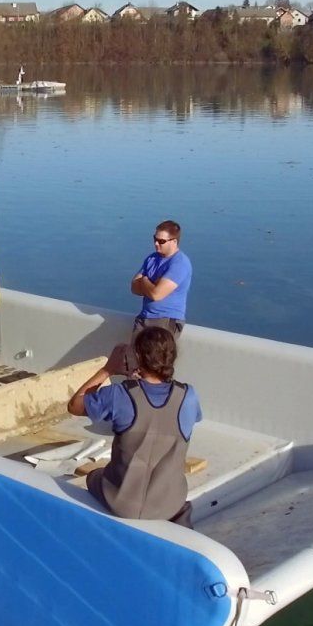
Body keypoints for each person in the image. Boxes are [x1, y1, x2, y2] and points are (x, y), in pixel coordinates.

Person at [67, 325, 203, 526]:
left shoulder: (119, 394)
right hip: (168, 504)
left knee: (94, 476)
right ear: (172, 358)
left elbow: (75, 405)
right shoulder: (188, 396)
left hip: (121, 502)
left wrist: (108, 369)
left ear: (137, 355)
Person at [130, 219, 190, 339]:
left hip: (165, 321)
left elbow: (157, 295)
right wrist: (151, 283)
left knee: (154, 357)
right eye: (155, 239)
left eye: (161, 241)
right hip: (143, 318)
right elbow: (134, 288)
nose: (156, 244)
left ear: (174, 241)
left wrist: (144, 280)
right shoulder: (152, 258)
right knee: (133, 357)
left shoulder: (179, 263)